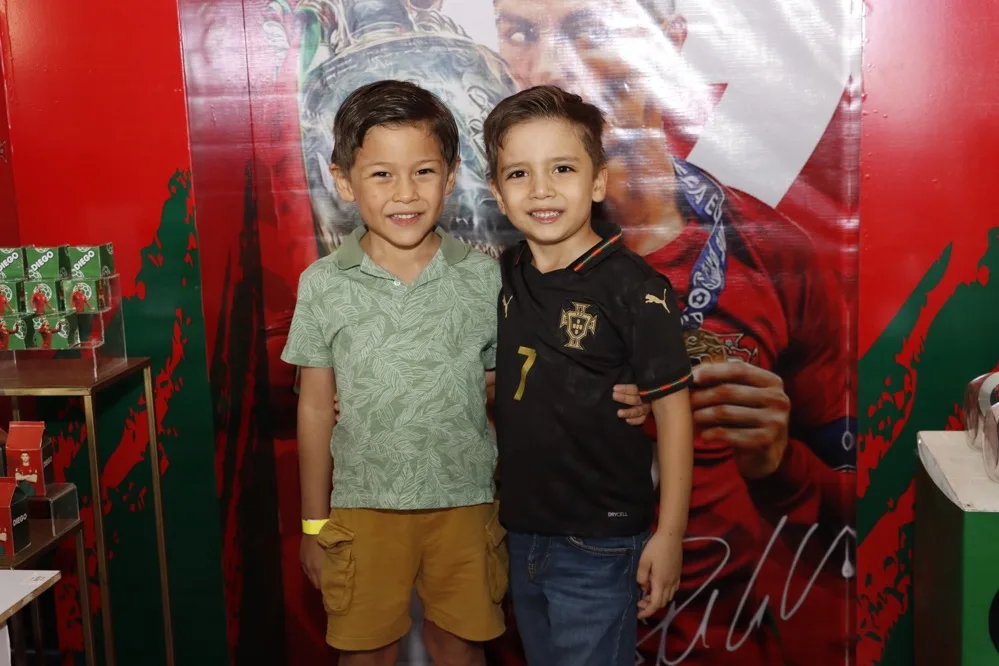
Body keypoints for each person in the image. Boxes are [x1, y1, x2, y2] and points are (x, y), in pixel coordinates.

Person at [489, 1, 856, 664]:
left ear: (669, 40)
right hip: (541, 603)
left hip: (719, 639)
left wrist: (783, 467)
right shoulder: (490, 272)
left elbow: (858, 510)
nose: (549, 64)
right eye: (520, 32)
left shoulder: (775, 257)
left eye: (588, 29)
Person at [280, 79, 650, 666]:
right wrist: (312, 523)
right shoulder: (322, 285)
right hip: (362, 507)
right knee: (364, 651)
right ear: (343, 181)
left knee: (460, 645)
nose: (405, 193)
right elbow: (314, 406)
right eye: (382, 175)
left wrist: (620, 393)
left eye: (424, 172)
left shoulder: (485, 279)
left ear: (451, 177)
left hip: (468, 504)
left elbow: (519, 377)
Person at [485, 84, 695, 666]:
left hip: (599, 542)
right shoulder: (504, 274)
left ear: (598, 182)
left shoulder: (635, 288)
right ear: (498, 194)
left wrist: (670, 535)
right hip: (520, 531)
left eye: (562, 168)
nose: (542, 189)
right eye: (519, 174)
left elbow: (675, 415)